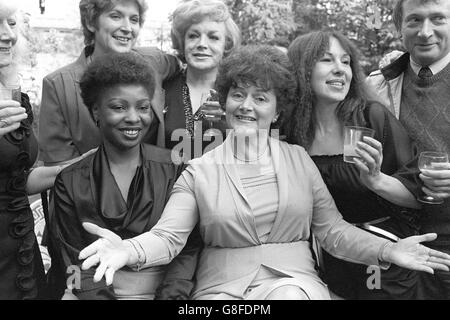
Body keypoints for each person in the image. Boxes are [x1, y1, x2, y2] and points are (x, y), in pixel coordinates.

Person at [76, 46, 450, 300]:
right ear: (223, 103)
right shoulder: (198, 171)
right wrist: (127, 250)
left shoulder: (299, 160)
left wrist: (389, 250)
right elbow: (167, 237)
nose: (247, 106)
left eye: (260, 97)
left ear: (277, 109)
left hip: (294, 284)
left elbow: (333, 232)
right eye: (238, 95)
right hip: (220, 288)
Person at [284, 30, 431, 299]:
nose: (341, 70)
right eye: (327, 60)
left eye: (346, 61)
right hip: (321, 260)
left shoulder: (363, 121)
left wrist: (376, 181)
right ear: (302, 69)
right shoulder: (290, 131)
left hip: (383, 259)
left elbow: (418, 197)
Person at [49, 52, 200, 300]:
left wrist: (171, 298)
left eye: (142, 107)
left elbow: (188, 249)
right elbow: (72, 263)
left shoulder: (175, 169)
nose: (133, 117)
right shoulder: (70, 180)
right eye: (119, 107)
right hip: (92, 292)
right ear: (96, 111)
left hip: (166, 292)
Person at [0, 1, 89, 300]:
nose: (7, 35)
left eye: (11, 24)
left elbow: (18, 182)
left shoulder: (14, 94)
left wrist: (82, 163)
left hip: (20, 246)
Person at [365, 0, 450, 298]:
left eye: (438, 19)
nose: (425, 32)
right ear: (399, 27)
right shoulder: (373, 87)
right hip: (397, 243)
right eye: (414, 20)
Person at [38, 0, 179, 167]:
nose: (127, 27)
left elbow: (185, 63)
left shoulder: (154, 61)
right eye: (116, 16)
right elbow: (58, 166)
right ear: (91, 22)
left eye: (134, 19)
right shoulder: (59, 86)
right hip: (92, 189)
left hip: (157, 187)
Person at [163, 0, 241, 162]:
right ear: (182, 41)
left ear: (226, 45)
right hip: (166, 185)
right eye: (193, 36)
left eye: (213, 37)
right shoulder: (161, 88)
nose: (202, 44)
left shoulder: (240, 94)